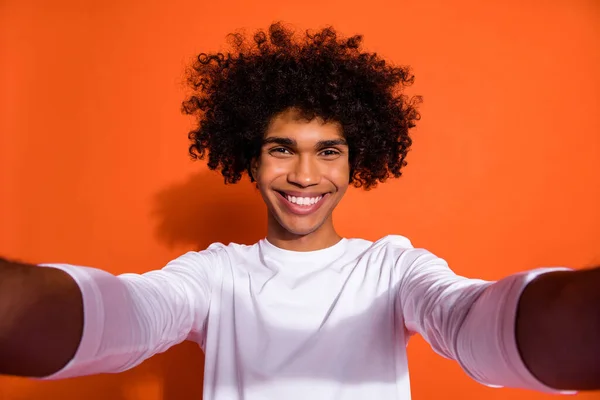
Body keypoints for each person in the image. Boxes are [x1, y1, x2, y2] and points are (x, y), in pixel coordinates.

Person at [0, 22, 598, 400]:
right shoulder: (215, 275)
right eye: (281, 148)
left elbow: (472, 320)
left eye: (328, 152)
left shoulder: (392, 269)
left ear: (356, 160)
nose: (306, 176)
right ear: (250, 159)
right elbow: (125, 315)